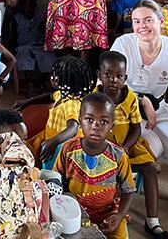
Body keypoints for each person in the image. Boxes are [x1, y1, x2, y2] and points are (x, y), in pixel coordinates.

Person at [110, 0, 168, 174]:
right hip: (125, 109)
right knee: (154, 145)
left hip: (158, 110)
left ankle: (153, 155)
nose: (142, 26)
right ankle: (141, 164)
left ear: (161, 22)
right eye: (136, 21)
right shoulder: (123, 44)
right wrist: (142, 100)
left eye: (148, 20)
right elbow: (109, 88)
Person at [95, 50, 166, 239]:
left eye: (119, 76)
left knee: (149, 168)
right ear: (99, 76)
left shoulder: (130, 98)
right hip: (101, 145)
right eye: (108, 75)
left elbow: (136, 128)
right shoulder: (94, 98)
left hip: (129, 143)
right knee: (108, 171)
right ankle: (113, 214)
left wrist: (125, 148)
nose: (113, 80)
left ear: (125, 77)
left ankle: (153, 221)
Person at [53, 93, 135, 239]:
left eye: (103, 122)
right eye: (89, 120)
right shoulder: (68, 150)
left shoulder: (119, 156)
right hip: (73, 213)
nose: (95, 126)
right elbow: (56, 183)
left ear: (112, 126)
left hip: (108, 214)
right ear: (80, 122)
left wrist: (119, 216)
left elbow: (128, 190)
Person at [29, 56, 95, 168]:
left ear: (59, 80)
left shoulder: (71, 103)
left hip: (60, 146)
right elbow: (49, 97)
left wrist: (53, 143)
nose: (52, 78)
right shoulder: (61, 94)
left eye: (54, 75)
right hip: (51, 137)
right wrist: (27, 101)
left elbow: (73, 128)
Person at [12, 0, 54, 93]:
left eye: (32, 5)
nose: (29, 9)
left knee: (47, 56)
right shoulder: (16, 18)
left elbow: (47, 33)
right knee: (25, 57)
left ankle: (46, 83)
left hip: (39, 45)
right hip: (23, 46)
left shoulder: (40, 17)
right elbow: (12, 38)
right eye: (26, 6)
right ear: (21, 6)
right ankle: (29, 84)